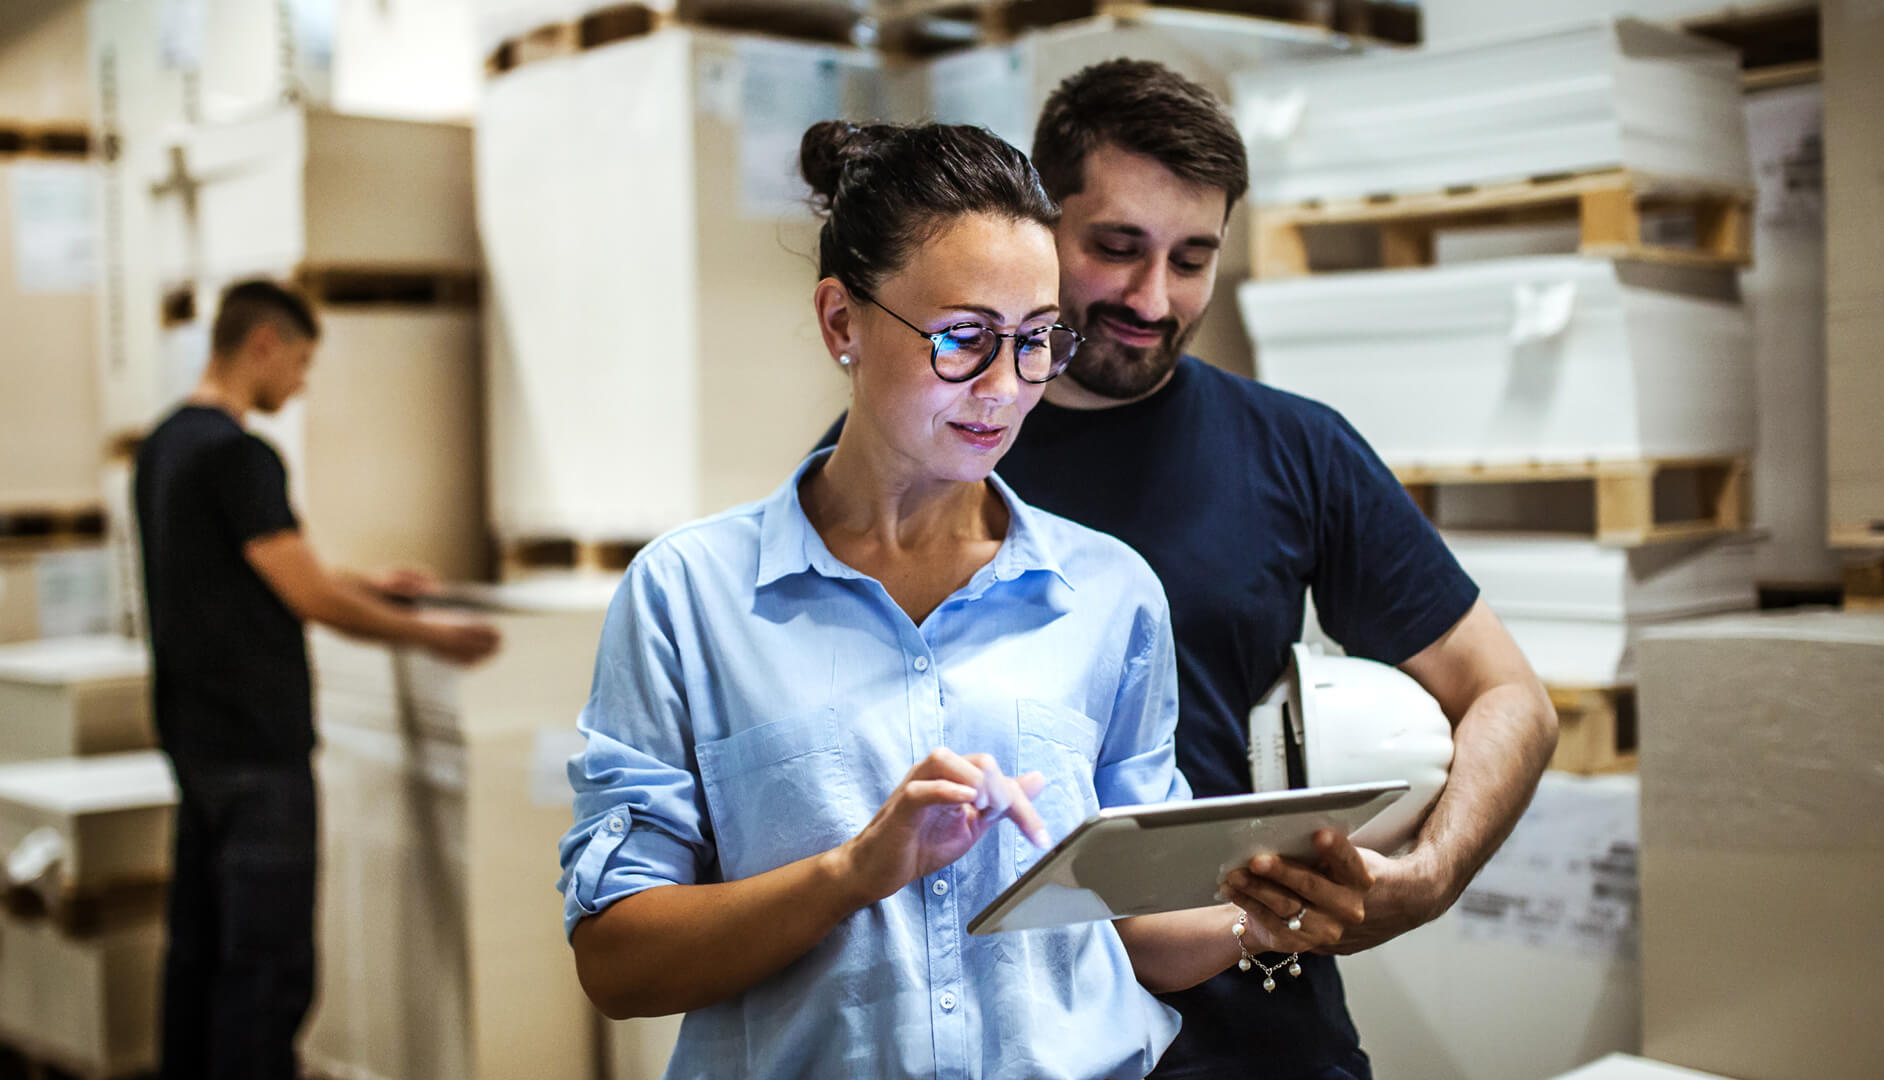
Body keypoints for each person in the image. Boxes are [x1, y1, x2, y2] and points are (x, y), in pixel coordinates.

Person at [560, 122, 1348, 1079]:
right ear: (842, 322)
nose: (1005, 390)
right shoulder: (690, 597)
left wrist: (1268, 912)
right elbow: (617, 960)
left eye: (1035, 342)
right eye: (963, 340)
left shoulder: (1108, 595)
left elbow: (1133, 926)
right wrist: (851, 874)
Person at [821, 61, 1561, 1079]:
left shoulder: (1293, 450)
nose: (1151, 297)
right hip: (994, 1043)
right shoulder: (925, 442)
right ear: (1043, 223)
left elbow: (1509, 695)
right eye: (1117, 249)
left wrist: (1427, 877)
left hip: (1258, 1037)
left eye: (1192, 259)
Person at [134, 279, 501, 1080]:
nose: (300, 383)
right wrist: (431, 634)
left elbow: (251, 572)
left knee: (199, 954)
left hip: (195, 744)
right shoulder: (241, 455)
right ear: (263, 344)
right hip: (257, 752)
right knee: (268, 970)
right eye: (300, 362)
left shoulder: (165, 446)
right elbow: (304, 595)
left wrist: (368, 584)